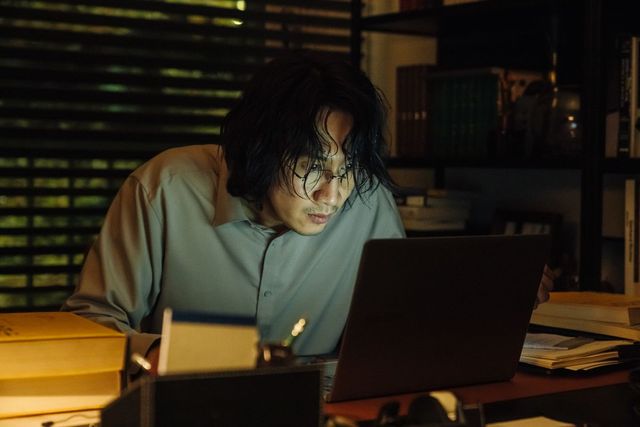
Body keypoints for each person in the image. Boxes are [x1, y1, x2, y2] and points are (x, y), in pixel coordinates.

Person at [62, 50, 554, 373]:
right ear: (258, 148)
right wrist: (162, 354)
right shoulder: (163, 189)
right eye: (311, 165)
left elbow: (392, 329)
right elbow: (88, 323)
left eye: (348, 168)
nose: (332, 195)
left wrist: (488, 301)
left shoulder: (368, 202)